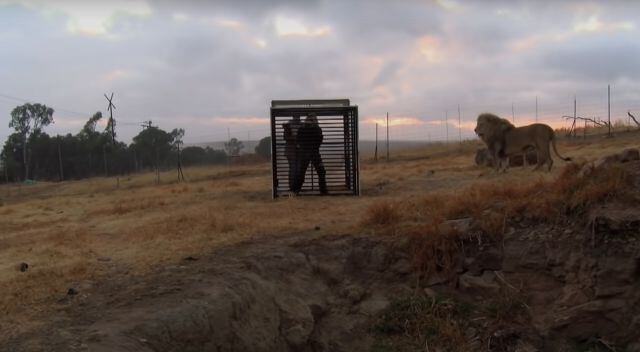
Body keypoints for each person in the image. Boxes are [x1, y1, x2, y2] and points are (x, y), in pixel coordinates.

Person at [295, 113, 327, 194]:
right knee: (321, 172)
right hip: (314, 153)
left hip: (306, 153)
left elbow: (298, 140)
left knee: (302, 172)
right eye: (312, 119)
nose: (313, 121)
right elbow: (320, 140)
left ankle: (296, 190)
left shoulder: (301, 128)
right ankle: (323, 191)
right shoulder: (316, 128)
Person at [283, 115, 302, 193]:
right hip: (291, 151)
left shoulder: (302, 125)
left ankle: (296, 188)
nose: (298, 118)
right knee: (293, 169)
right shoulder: (288, 125)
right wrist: (296, 138)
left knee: (297, 169)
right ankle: (292, 188)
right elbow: (285, 137)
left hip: (299, 150)